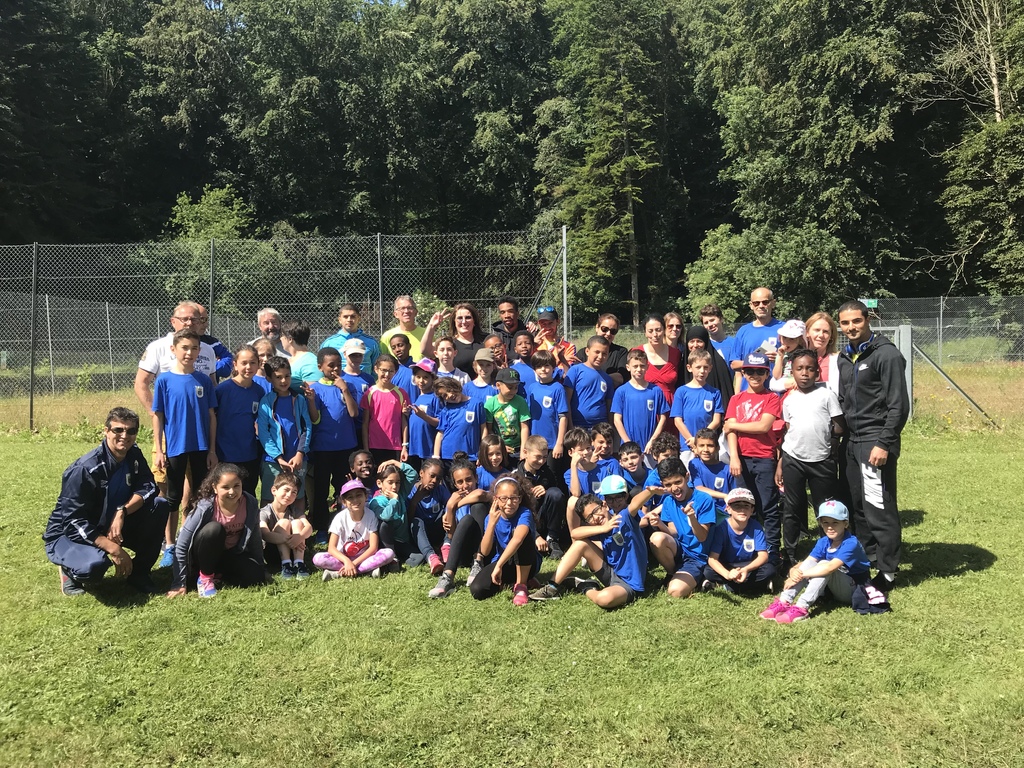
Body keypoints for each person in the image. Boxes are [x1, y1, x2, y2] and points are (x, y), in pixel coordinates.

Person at [44, 407, 169, 596]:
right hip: (69, 533)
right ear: (106, 431)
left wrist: (122, 511)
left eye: (131, 431)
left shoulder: (133, 454)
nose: (124, 436)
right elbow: (73, 522)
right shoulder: (85, 469)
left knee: (160, 506)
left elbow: (149, 486)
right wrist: (113, 548)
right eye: (118, 430)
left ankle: (139, 574)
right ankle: (69, 571)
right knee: (93, 567)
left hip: (112, 521)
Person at [837, 300, 909, 592]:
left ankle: (888, 571)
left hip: (875, 441)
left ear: (868, 319)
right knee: (858, 506)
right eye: (845, 323)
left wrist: (883, 443)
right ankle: (867, 559)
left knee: (879, 506)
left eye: (856, 321)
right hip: (851, 442)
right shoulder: (845, 357)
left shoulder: (886, 354)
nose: (851, 327)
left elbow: (898, 406)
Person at [528, 476, 656, 609]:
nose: (596, 517)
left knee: (604, 599)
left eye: (596, 511)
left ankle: (586, 586)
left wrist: (649, 492)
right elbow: (574, 533)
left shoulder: (623, 517)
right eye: (590, 517)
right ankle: (552, 587)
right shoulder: (599, 527)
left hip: (629, 583)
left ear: (604, 505)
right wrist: (603, 528)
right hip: (610, 573)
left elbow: (634, 504)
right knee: (580, 544)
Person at [759, 499, 888, 623]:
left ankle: (802, 607)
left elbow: (829, 567)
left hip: (854, 589)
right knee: (812, 564)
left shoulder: (851, 543)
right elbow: (808, 562)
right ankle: (784, 601)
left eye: (835, 522)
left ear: (845, 524)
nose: (830, 527)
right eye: (825, 522)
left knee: (824, 564)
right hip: (835, 587)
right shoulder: (824, 541)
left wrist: (801, 575)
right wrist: (794, 571)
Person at [151, 328, 218, 565]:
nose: (189, 352)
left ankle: (194, 541)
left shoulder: (203, 380)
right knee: (173, 496)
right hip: (175, 448)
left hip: (201, 448)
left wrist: (212, 450)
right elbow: (158, 415)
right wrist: (159, 450)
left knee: (200, 497)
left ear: (199, 351)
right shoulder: (164, 380)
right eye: (185, 348)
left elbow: (211, 416)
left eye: (194, 348)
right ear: (173, 349)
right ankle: (170, 546)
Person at [775, 349, 845, 566]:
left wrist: (832, 446)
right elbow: (789, 429)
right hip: (793, 459)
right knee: (792, 506)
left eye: (809, 369)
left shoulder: (826, 395)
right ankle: (790, 552)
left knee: (824, 507)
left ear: (817, 372)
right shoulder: (789, 400)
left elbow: (839, 426)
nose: (804, 373)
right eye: (799, 369)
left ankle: (828, 548)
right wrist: (781, 461)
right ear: (792, 372)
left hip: (822, 461)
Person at [167, 463, 268, 598]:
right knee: (214, 529)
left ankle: (218, 575)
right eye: (225, 487)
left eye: (236, 486)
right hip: (202, 556)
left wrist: (260, 567)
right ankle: (204, 578)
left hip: (228, 555)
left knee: (256, 577)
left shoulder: (250, 503)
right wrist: (179, 583)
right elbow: (181, 544)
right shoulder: (205, 507)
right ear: (215, 488)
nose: (232, 492)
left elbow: (255, 538)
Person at [724, 352, 783, 564]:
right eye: (750, 371)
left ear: (767, 374)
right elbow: (729, 431)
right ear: (743, 373)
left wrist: (734, 424)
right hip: (741, 458)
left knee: (768, 506)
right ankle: (751, 548)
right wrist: (734, 457)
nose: (754, 375)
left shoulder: (771, 398)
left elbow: (764, 426)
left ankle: (773, 551)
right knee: (745, 505)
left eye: (760, 371)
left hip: (764, 458)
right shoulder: (736, 399)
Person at [646, 457, 718, 599]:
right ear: (662, 484)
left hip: (698, 556)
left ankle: (697, 577)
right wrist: (659, 523)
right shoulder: (668, 501)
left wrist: (692, 517)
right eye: (668, 484)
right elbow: (673, 532)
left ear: (687, 477)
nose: (674, 488)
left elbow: (702, 537)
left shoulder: (704, 499)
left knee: (675, 592)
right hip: (680, 550)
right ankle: (673, 573)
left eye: (678, 482)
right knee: (656, 538)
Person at [307, 347, 359, 541]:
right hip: (323, 448)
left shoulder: (347, 385)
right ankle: (321, 527)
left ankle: (345, 526)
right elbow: (315, 419)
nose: (336, 369)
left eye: (339, 365)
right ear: (320, 367)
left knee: (344, 488)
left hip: (346, 447)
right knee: (321, 490)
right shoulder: (316, 389)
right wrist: (311, 401)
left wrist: (344, 389)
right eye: (331, 365)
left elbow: (353, 413)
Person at [134, 302, 218, 415]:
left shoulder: (208, 350)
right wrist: (155, 414)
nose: (189, 323)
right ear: (173, 321)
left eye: (194, 320)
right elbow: (141, 383)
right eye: (184, 319)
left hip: (201, 417)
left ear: (199, 322)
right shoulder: (157, 347)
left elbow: (213, 384)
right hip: (171, 417)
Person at [427, 455, 493, 598]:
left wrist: (455, 505)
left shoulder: (484, 493)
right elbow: (452, 535)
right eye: (460, 482)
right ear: (455, 485)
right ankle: (447, 576)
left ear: (476, 478)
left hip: (485, 551)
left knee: (478, 506)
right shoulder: (453, 500)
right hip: (463, 553)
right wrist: (450, 509)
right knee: (467, 519)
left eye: (469, 479)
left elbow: (479, 494)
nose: (465, 485)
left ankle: (478, 561)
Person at [470, 476, 539, 606]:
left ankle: (522, 585)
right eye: (504, 498)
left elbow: (518, 540)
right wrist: (491, 524)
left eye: (514, 498)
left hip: (527, 561)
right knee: (477, 590)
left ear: (520, 499)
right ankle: (512, 582)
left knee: (521, 536)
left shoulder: (524, 513)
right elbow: (485, 551)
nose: (509, 503)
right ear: (496, 499)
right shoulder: (490, 517)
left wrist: (498, 566)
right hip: (505, 561)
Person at [256, 356, 314, 506]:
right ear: (269, 379)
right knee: (269, 497)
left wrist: (300, 453)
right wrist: (279, 458)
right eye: (278, 377)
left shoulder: (299, 400)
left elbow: (307, 427)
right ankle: (268, 522)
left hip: (297, 460)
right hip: (273, 461)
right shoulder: (266, 402)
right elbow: (264, 433)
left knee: (297, 496)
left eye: (287, 376)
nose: (283, 381)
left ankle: (297, 520)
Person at [316, 479, 397, 579]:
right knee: (318, 558)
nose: (355, 500)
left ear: (365, 497)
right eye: (350, 497)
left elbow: (373, 547)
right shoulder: (339, 518)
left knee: (389, 553)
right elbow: (331, 548)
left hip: (365, 558)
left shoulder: (371, 515)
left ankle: (338, 573)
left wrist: (354, 563)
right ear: (344, 502)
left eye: (359, 495)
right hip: (343, 558)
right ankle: (366, 571)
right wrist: (347, 561)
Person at [702, 487, 775, 594]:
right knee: (708, 571)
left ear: (752, 510)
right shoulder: (721, 528)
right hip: (728, 565)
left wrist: (746, 569)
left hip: (748, 565)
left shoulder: (756, 527)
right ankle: (756, 586)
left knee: (769, 570)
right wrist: (727, 574)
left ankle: (728, 585)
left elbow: (763, 556)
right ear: (728, 509)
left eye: (746, 506)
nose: (742, 510)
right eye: (737, 506)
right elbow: (713, 559)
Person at [214, 345, 264, 495]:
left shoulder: (259, 391)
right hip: (225, 454)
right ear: (235, 364)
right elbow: (211, 419)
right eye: (244, 363)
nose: (248, 367)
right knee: (228, 493)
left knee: (248, 493)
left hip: (249, 453)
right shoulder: (222, 390)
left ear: (258, 364)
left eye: (253, 363)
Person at [513, 435, 568, 560]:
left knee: (555, 493)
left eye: (544, 457)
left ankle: (552, 539)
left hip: (544, 519)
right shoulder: (516, 476)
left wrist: (547, 490)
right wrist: (535, 535)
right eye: (537, 457)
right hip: (525, 522)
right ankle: (533, 538)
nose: (541, 461)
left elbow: (557, 499)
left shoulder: (547, 472)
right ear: (525, 453)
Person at [611, 349, 669, 454]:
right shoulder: (621, 391)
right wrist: (627, 442)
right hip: (629, 449)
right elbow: (617, 420)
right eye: (635, 366)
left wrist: (653, 440)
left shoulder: (656, 391)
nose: (639, 369)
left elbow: (663, 418)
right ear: (628, 367)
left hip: (650, 448)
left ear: (647, 367)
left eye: (642, 366)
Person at [258, 471, 312, 579]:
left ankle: (299, 563)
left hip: (295, 549)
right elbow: (265, 534)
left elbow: (309, 527)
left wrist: (299, 537)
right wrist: (288, 539)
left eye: (294, 492)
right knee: (284, 522)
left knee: (297, 522)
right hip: (273, 552)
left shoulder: (295, 510)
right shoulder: (264, 512)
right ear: (274, 490)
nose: (289, 495)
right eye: (286, 490)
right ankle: (286, 565)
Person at [730, 287, 784, 392]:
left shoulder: (783, 329)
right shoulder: (743, 331)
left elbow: (795, 361)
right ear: (751, 305)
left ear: (773, 303)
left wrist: (779, 359)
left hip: (776, 393)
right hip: (749, 394)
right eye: (756, 303)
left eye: (765, 302)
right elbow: (734, 364)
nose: (761, 306)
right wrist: (755, 361)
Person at [360, 353, 410, 465]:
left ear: (395, 372)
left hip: (395, 446)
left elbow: (404, 421)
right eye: (383, 370)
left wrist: (404, 446)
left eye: (391, 371)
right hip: (374, 446)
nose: (387, 374)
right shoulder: (369, 394)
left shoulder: (401, 394)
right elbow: (365, 423)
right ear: (376, 369)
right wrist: (366, 448)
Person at [671, 349, 723, 453]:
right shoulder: (681, 391)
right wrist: (692, 440)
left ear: (710, 368)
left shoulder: (715, 393)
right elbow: (678, 421)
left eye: (705, 367)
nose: (702, 371)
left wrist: (700, 440)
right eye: (698, 367)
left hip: (707, 446)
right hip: (687, 445)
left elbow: (716, 421)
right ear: (689, 368)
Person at [633, 314, 681, 424]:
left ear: (664, 330)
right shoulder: (636, 352)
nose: (655, 334)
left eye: (658, 330)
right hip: (644, 407)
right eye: (650, 331)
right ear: (645, 332)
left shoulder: (676, 354)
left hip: (670, 408)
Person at [526, 349, 569, 463]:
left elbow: (563, 418)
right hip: (534, 443)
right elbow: (528, 417)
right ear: (534, 369)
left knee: (552, 471)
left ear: (553, 367)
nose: (543, 369)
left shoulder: (558, 388)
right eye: (539, 366)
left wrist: (559, 443)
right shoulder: (532, 388)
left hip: (552, 444)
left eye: (546, 366)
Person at [433, 377, 488, 464]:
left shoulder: (477, 404)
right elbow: (440, 433)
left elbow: (483, 429)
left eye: (449, 390)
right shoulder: (446, 410)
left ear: (456, 386)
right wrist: (436, 456)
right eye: (444, 396)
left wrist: (482, 453)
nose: (449, 395)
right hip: (448, 456)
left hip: (470, 456)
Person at [680, 325, 734, 411]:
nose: (695, 345)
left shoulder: (718, 363)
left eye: (699, 341)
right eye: (692, 341)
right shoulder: (682, 364)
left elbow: (726, 394)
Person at [422, 303, 486, 376]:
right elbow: (425, 350)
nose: (464, 321)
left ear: (474, 321)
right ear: (454, 322)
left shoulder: (486, 340)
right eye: (460, 318)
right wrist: (431, 326)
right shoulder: (449, 343)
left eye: (468, 317)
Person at [565, 336, 614, 430]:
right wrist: (570, 426)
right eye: (597, 352)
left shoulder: (607, 378)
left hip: (600, 429)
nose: (600, 357)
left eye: (604, 353)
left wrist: (610, 428)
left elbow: (609, 407)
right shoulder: (575, 371)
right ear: (587, 351)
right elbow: (566, 401)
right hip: (578, 427)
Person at [320, 304, 380, 378]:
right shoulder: (329, 343)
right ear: (339, 319)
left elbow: (377, 369)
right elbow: (322, 369)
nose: (349, 320)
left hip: (365, 384)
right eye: (345, 317)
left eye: (353, 316)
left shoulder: (372, 343)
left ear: (359, 319)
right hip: (337, 383)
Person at [688, 428, 736, 518]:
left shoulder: (727, 469)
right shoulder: (694, 464)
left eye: (710, 446)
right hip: (703, 509)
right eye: (701, 445)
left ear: (718, 448)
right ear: (695, 448)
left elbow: (734, 492)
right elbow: (699, 488)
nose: (705, 449)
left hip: (723, 511)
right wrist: (724, 496)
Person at [484, 368, 531, 459]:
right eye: (510, 387)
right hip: (499, 450)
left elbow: (524, 427)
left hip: (518, 449)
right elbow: (489, 430)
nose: (513, 391)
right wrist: (500, 446)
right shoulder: (490, 404)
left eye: (516, 387)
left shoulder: (520, 401)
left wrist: (523, 450)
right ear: (498, 385)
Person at [407, 359, 442, 471]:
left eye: (426, 377)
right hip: (414, 449)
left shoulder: (435, 398)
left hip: (428, 450)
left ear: (433, 379)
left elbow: (440, 423)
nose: (421, 381)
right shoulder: (417, 397)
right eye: (418, 377)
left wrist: (424, 416)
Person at [585, 313, 629, 386]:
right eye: (604, 329)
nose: (608, 333)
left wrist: (595, 379)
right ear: (597, 327)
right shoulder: (583, 353)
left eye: (613, 331)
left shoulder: (621, 352)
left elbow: (622, 376)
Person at [192, 302, 234, 380]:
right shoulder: (174, 342)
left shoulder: (213, 343)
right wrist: (210, 362)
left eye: (206, 320)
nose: (206, 325)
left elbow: (228, 365)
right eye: (202, 319)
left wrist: (209, 365)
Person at [380, 295, 425, 361]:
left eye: (410, 308)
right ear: (396, 314)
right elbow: (382, 362)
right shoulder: (387, 336)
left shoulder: (426, 334)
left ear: (416, 312)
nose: (406, 311)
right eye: (402, 308)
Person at [805, 310, 840, 392]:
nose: (821, 335)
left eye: (825, 332)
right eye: (817, 330)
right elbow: (776, 383)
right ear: (807, 332)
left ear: (831, 336)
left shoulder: (837, 361)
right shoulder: (795, 358)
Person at [534, 306, 576, 373]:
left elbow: (565, 372)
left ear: (557, 321)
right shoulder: (535, 345)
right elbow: (533, 369)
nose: (547, 327)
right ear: (539, 324)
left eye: (550, 323)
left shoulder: (568, 346)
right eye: (543, 324)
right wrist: (560, 359)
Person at [770, 319, 807, 394]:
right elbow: (776, 376)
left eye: (792, 339)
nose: (786, 342)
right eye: (784, 337)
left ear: (800, 340)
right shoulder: (782, 354)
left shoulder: (804, 356)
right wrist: (780, 357)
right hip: (783, 391)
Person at [280, 319, 320, 388]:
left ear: (290, 339)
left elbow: (315, 391)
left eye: (282, 335)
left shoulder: (310, 363)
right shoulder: (290, 360)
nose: (280, 338)